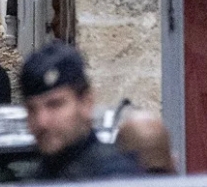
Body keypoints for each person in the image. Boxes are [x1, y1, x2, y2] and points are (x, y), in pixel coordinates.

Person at [20, 41, 144, 180]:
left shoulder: (118, 176)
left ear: (86, 103)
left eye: (55, 105)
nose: (42, 121)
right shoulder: (38, 179)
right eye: (32, 109)